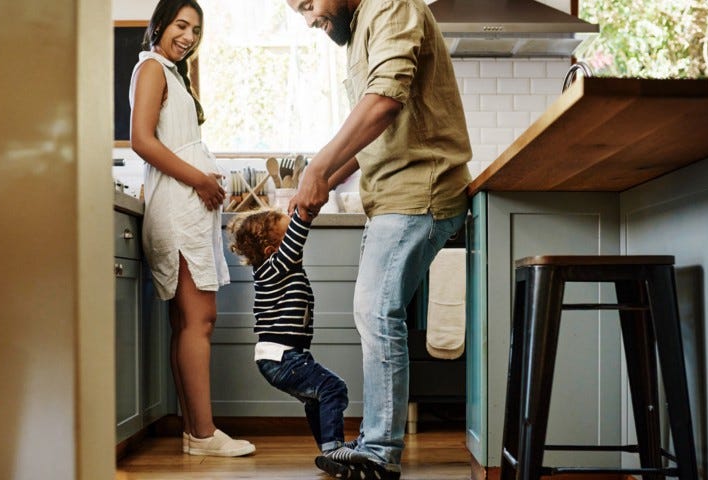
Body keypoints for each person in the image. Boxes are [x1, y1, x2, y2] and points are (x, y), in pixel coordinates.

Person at [284, 0, 473, 477]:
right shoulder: (364, 23)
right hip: (392, 194)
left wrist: (319, 167)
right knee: (373, 315)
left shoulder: (391, 4)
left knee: (375, 313)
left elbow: (385, 100)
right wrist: (324, 178)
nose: (309, 20)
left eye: (308, 4)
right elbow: (373, 130)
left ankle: (380, 452)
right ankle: (375, 441)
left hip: (419, 189)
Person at [129, 0, 254, 457]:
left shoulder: (172, 73)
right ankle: (203, 434)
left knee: (187, 321)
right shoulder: (152, 69)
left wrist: (206, 177)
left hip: (184, 206)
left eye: (196, 30)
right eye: (181, 25)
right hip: (180, 209)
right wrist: (199, 178)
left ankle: (194, 432)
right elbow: (141, 139)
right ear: (160, 24)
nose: (188, 36)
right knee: (200, 320)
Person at [227, 208, 373, 466]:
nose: (297, 249)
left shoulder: (275, 271)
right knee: (332, 388)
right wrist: (304, 215)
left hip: (284, 355)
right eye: (288, 241)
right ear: (273, 252)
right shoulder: (273, 268)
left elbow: (292, 242)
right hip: (282, 356)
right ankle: (333, 448)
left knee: (316, 397)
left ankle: (330, 448)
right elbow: (297, 238)